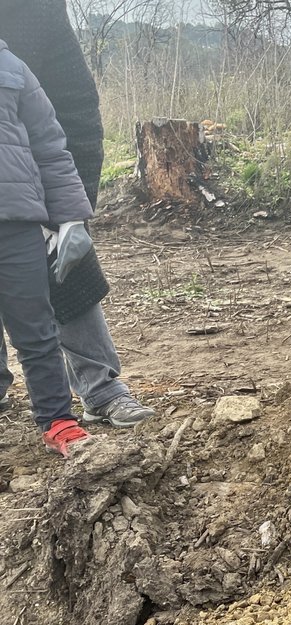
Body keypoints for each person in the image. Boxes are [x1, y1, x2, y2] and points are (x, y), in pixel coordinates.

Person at [0, 0, 155, 428]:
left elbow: (75, 111)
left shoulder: (35, 10)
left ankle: (100, 387)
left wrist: (71, 213)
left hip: (28, 185)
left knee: (67, 269)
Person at [0, 39, 96, 457]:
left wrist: (71, 215)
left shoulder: (12, 67)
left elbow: (50, 147)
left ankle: (59, 420)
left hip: (15, 223)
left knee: (36, 328)